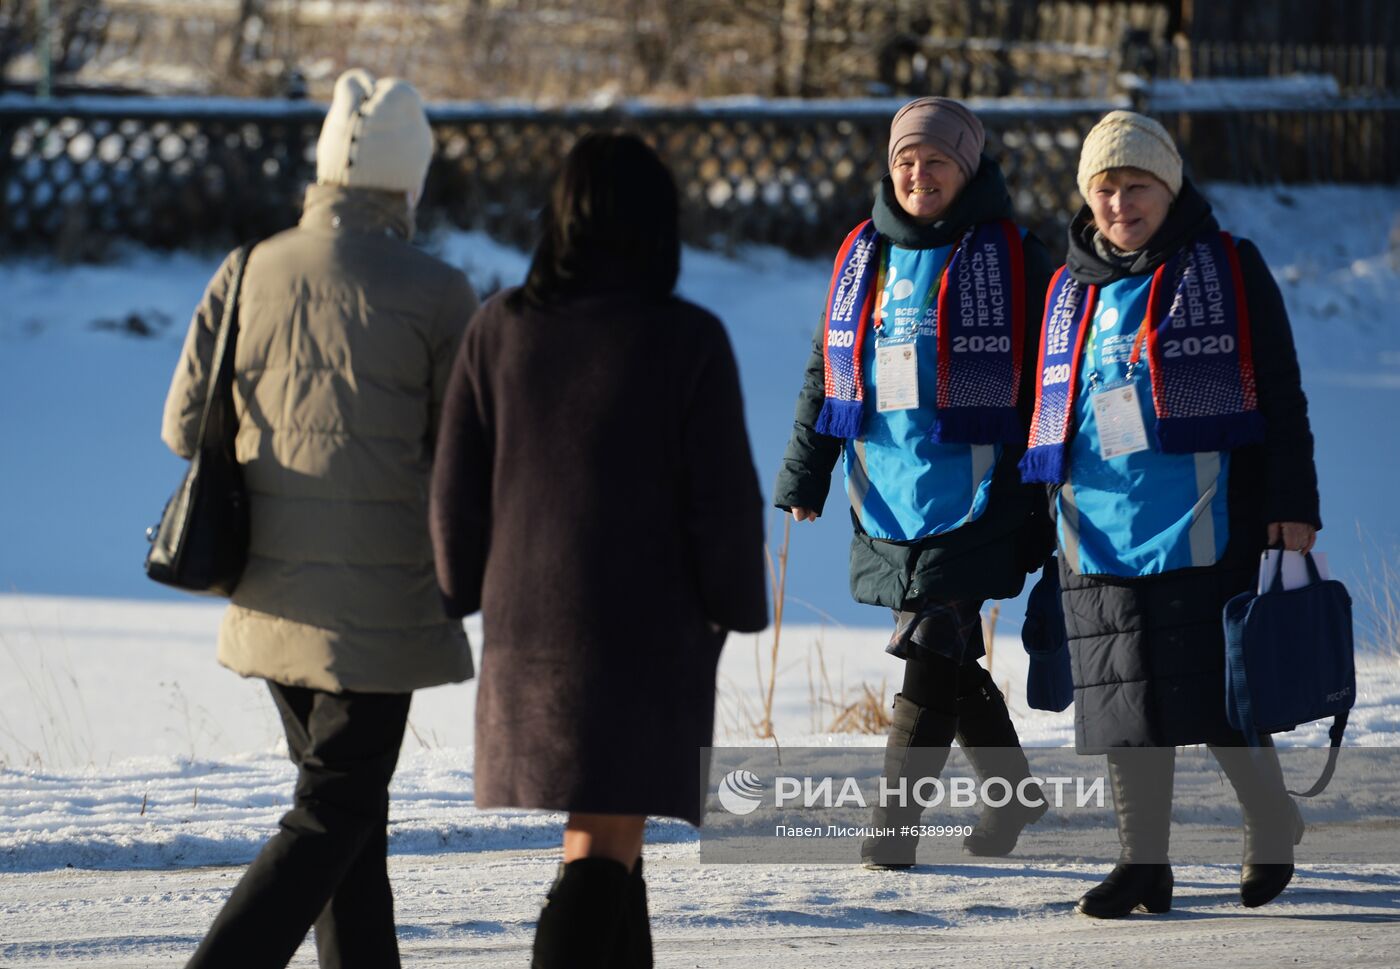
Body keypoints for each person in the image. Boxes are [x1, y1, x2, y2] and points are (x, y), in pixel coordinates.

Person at [429, 131, 768, 969]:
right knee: (603, 848)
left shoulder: (499, 328)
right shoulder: (687, 337)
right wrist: (734, 602)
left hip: (526, 626)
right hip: (648, 635)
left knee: (614, 847)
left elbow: (453, 487)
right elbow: (724, 500)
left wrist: (463, 588)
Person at [162, 69, 476, 968]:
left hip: (269, 587)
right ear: (409, 180)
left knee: (348, 815)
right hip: (381, 605)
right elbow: (466, 450)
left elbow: (182, 426)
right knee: (335, 810)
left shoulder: (247, 268)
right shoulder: (439, 292)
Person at [1020, 110, 1320, 917]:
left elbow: (1281, 392)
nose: (1120, 203)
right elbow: (1046, 412)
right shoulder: (1067, 288)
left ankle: (1270, 820)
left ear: (1170, 187)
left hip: (1204, 514)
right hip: (1095, 527)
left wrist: (1293, 503)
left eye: (1137, 186)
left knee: (1217, 692)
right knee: (1124, 703)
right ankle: (1142, 863)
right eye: (1105, 188)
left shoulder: (1227, 265)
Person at [773, 97, 1056, 868]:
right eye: (906, 160)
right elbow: (826, 371)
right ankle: (1014, 795)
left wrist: (1058, 484)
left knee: (933, 643)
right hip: (889, 491)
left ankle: (891, 832)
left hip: (983, 488)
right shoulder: (863, 256)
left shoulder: (1018, 256)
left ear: (967, 170)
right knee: (949, 652)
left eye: (936, 162)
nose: (918, 175)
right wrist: (806, 472)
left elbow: (1059, 375)